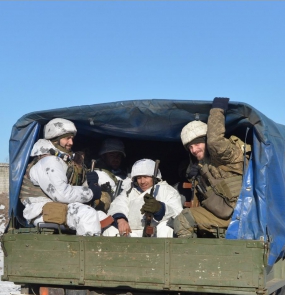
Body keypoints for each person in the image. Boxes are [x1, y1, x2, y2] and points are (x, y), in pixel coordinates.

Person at [19, 118, 109, 236]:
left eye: (72, 138)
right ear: (55, 140)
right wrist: (90, 192)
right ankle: (89, 253)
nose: (71, 143)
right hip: (41, 211)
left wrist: (91, 183)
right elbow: (61, 193)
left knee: (102, 217)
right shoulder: (48, 161)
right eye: (67, 138)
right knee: (87, 214)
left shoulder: (62, 160)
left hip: (56, 206)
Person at [172, 97, 246, 238]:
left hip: (242, 214)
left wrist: (217, 109)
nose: (194, 150)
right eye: (190, 147)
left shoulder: (225, 155)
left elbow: (215, 141)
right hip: (222, 214)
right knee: (183, 219)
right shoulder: (202, 164)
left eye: (198, 144)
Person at [103, 159, 182, 238]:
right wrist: (121, 220)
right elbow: (118, 204)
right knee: (110, 231)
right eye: (139, 177)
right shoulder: (129, 191)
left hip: (155, 233)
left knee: (166, 227)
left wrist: (160, 209)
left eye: (146, 177)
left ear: (154, 177)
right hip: (131, 232)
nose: (142, 181)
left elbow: (178, 215)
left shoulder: (168, 191)